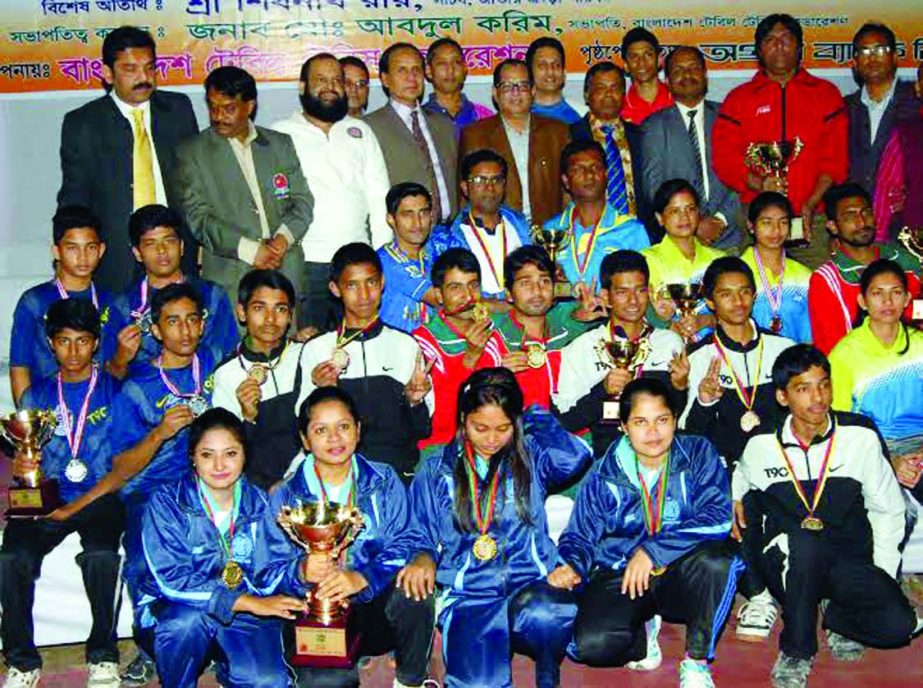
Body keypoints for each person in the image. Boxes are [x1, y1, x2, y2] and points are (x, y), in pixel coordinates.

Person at [51, 283, 222, 685]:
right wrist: (160, 432)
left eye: (192, 320)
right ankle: (149, 648)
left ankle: (211, 643)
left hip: (211, 488)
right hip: (150, 493)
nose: (184, 330)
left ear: (203, 325)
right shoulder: (136, 385)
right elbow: (122, 464)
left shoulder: (216, 365)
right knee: (145, 566)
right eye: (173, 322)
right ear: (156, 331)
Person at [732, 344, 919, 688]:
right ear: (783, 396)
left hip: (849, 558)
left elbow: (888, 509)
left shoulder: (859, 435)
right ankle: (798, 648)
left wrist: (882, 577)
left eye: (824, 385)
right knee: (804, 544)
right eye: (803, 389)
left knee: (898, 628)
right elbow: (741, 480)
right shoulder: (761, 444)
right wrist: (734, 498)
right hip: (792, 559)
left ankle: (837, 615)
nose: (818, 398)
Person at [400, 368, 593, 688]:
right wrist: (422, 555)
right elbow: (417, 529)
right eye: (480, 428)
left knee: (550, 613)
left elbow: (576, 457)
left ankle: (548, 669)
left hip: (530, 583)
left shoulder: (531, 458)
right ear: (463, 419)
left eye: (503, 428)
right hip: (470, 593)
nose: (491, 439)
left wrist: (533, 415)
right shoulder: (437, 468)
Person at [554, 378, 741, 688]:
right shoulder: (603, 472)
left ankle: (695, 662)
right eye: (640, 422)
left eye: (662, 420)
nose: (653, 432)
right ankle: (642, 631)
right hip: (623, 573)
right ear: (624, 426)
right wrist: (572, 564)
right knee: (590, 646)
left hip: (681, 572)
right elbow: (580, 535)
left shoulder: (698, 453)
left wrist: (653, 550)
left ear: (675, 419)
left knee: (719, 562)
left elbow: (718, 516)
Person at [273, 387, 436, 688]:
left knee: (417, 588)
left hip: (374, 602)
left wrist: (363, 576)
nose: (334, 438)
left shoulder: (384, 478)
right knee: (326, 682)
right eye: (321, 430)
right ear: (305, 440)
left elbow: (407, 538)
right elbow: (266, 570)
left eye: (344, 426)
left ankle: (410, 678)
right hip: (315, 613)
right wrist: (299, 571)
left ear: (358, 430)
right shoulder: (284, 495)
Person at [1, 300, 124, 688]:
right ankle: (22, 660)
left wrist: (87, 501)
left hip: (100, 496)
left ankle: (103, 656)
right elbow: (24, 456)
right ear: (51, 345)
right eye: (64, 342)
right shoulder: (35, 397)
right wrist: (24, 468)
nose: (74, 352)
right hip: (47, 495)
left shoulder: (116, 391)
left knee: (102, 556)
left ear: (96, 343)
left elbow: (127, 463)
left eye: (83, 341)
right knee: (11, 557)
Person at [139, 408, 308, 688]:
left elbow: (272, 569)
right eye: (207, 455)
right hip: (181, 607)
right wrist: (243, 602)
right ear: (192, 457)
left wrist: (301, 571)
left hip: (246, 610)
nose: (219, 465)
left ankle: (231, 670)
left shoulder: (262, 504)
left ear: (245, 455)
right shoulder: (167, 502)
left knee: (268, 681)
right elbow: (172, 581)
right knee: (184, 626)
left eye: (230, 454)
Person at [58, 25, 199, 291]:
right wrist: (70, 253)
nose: (143, 77)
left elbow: (195, 182)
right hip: (117, 259)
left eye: (149, 67)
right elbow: (75, 195)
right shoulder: (83, 123)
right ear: (108, 74)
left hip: (175, 253)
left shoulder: (178, 109)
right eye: (130, 70)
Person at [713, 14, 848, 269]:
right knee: (754, 289)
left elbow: (835, 161)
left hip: (811, 218)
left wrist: (811, 202)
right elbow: (724, 160)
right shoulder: (738, 100)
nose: (779, 46)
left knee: (815, 287)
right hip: (757, 218)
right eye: (770, 40)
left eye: (786, 39)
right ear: (759, 50)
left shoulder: (826, 95)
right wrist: (760, 183)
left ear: (800, 48)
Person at [271, 53, 392, 332]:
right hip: (303, 264)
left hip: (356, 263)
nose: (330, 87)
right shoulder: (279, 135)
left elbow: (378, 197)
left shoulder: (360, 131)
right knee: (308, 346)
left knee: (359, 344)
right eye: (321, 80)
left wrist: (379, 259)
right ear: (302, 87)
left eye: (336, 80)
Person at [174, 65, 313, 305]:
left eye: (228, 109)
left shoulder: (280, 144)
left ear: (250, 106)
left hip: (284, 271)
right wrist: (252, 251)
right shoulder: (192, 152)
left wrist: (281, 241)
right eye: (212, 107)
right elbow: (198, 218)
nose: (218, 116)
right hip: (230, 278)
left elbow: (302, 202)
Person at [295, 243, 433, 483]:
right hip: (339, 476)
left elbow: (422, 430)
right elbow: (304, 430)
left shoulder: (406, 345)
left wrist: (413, 401)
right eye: (351, 285)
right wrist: (325, 391)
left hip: (397, 475)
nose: (364, 295)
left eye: (370, 282)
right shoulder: (317, 349)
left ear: (382, 283)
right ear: (335, 289)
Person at [555, 250, 688, 457]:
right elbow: (567, 422)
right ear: (606, 297)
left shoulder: (669, 342)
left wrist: (680, 388)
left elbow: (678, 416)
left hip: (663, 456)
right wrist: (603, 390)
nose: (633, 301)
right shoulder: (583, 347)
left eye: (640, 291)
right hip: (608, 460)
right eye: (622, 292)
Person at [682, 256, 794, 468]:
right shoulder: (697, 357)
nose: (738, 302)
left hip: (780, 471)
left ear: (754, 295)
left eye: (744, 292)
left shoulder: (784, 349)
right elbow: (690, 435)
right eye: (726, 294)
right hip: (723, 473)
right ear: (710, 302)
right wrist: (705, 402)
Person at [106, 204, 238, 378]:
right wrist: (120, 359)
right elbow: (108, 378)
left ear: (182, 246)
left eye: (169, 241)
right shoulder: (123, 307)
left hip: (207, 394)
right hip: (146, 401)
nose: (162, 251)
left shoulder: (212, 296)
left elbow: (230, 362)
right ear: (137, 253)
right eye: (151, 244)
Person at [829, 259, 923, 503]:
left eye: (896, 293)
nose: (888, 302)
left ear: (907, 299)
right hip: (875, 448)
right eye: (877, 294)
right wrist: (890, 461)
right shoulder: (844, 354)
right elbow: (842, 428)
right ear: (862, 301)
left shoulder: (920, 344)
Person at [9, 206, 116, 405]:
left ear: (101, 250)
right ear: (56, 251)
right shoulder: (34, 301)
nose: (83, 257)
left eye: (90, 247)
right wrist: (29, 423)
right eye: (72, 248)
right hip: (50, 411)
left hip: (100, 415)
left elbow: (117, 367)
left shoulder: (113, 301)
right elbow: (19, 366)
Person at [211, 269, 304, 489]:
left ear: (290, 315)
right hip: (252, 485)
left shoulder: (304, 356)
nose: (271, 319)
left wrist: (293, 477)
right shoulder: (227, 373)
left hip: (307, 475)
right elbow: (225, 449)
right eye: (259, 308)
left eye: (280, 309)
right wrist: (248, 418)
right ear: (242, 312)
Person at [641, 46, 741, 250]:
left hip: (728, 237)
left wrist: (720, 220)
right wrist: (693, 224)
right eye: (678, 70)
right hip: (680, 241)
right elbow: (654, 188)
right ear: (667, 81)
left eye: (693, 68)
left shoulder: (729, 116)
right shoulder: (654, 126)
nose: (686, 74)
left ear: (705, 75)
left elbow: (743, 176)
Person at [808, 182, 921, 354]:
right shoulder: (827, 280)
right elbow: (830, 347)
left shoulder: (906, 261)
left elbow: (918, 310)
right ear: (832, 226)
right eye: (849, 216)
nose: (861, 222)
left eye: (866, 212)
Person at [459, 58, 570, 225]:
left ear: (533, 91)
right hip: (497, 231)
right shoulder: (474, 135)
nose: (516, 92)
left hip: (549, 230)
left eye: (523, 85)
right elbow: (464, 195)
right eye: (507, 86)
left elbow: (567, 190)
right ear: (495, 93)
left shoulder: (558, 132)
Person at [413, 248, 501, 452]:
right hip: (443, 448)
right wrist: (470, 358)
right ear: (439, 295)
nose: (468, 297)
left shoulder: (498, 330)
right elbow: (440, 416)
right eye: (455, 288)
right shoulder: (422, 340)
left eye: (473, 286)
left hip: (493, 444)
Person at [490, 246, 598, 409]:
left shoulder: (572, 330)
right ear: (508, 294)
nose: (537, 290)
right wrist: (492, 378)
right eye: (525, 283)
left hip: (572, 429)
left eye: (545, 281)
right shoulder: (492, 337)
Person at [365, 42, 457, 224]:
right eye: (402, 70)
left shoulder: (443, 124)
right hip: (402, 236)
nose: (411, 77)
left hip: (450, 232)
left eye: (416, 70)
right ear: (385, 79)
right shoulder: (370, 127)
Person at [545, 140, 651, 293]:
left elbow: (644, 291)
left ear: (606, 175)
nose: (589, 175)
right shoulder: (551, 231)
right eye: (578, 169)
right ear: (566, 181)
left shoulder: (631, 230)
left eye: (596, 167)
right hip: (560, 315)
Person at [430, 149, 532, 303]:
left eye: (496, 180)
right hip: (474, 320)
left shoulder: (523, 228)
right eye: (480, 180)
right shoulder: (445, 239)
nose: (490, 187)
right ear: (465, 187)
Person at [846, 23, 921, 199]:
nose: (872, 58)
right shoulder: (843, 109)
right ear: (855, 62)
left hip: (908, 213)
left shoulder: (917, 103)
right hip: (858, 216)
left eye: (880, 50)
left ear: (895, 57)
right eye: (864, 51)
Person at [641, 179, 722, 340]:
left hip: (716, 348)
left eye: (690, 209)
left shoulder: (719, 259)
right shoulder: (645, 260)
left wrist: (705, 320)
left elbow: (733, 312)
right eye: (674, 211)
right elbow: (639, 312)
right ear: (660, 218)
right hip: (666, 348)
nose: (684, 217)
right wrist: (666, 323)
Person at [570, 62, 647, 225]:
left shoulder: (642, 136)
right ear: (586, 94)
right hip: (588, 234)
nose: (608, 94)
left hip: (637, 234)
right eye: (600, 88)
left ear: (623, 94)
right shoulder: (569, 136)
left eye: (615, 88)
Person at [739, 192, 813, 343]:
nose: (776, 230)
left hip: (794, 361)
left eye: (783, 222)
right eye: (767, 222)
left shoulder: (804, 276)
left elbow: (809, 333)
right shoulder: (737, 273)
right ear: (751, 226)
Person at [377, 182, 439, 333]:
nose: (417, 223)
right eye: (408, 214)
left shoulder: (435, 253)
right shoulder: (385, 260)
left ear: (431, 216)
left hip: (434, 350)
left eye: (423, 213)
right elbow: (445, 301)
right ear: (391, 219)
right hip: (396, 352)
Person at [872, 62, 923, 237]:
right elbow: (886, 191)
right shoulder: (905, 134)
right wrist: (878, 241)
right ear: (918, 88)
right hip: (916, 242)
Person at [422, 37, 493, 136]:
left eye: (456, 62)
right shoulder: (420, 118)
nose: (450, 70)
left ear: (464, 68)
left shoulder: (483, 116)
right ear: (429, 71)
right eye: (442, 63)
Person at [619, 28, 674, 126]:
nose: (642, 62)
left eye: (648, 55)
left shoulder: (678, 99)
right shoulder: (619, 109)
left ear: (659, 60)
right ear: (626, 66)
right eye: (634, 57)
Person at [526, 37, 582, 124]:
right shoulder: (518, 115)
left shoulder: (582, 115)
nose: (550, 71)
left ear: (564, 73)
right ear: (529, 72)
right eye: (542, 65)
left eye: (556, 65)